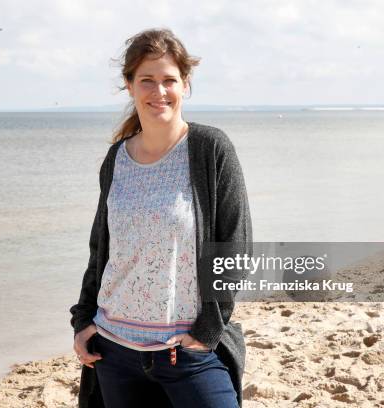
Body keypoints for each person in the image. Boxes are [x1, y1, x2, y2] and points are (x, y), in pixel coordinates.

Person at [69, 28, 252, 408]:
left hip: (187, 352)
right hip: (114, 351)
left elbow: (235, 247)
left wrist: (207, 330)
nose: (159, 91)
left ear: (185, 84)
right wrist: (83, 320)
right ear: (130, 86)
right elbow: (101, 249)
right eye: (146, 80)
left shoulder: (210, 150)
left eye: (169, 80)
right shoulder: (116, 159)